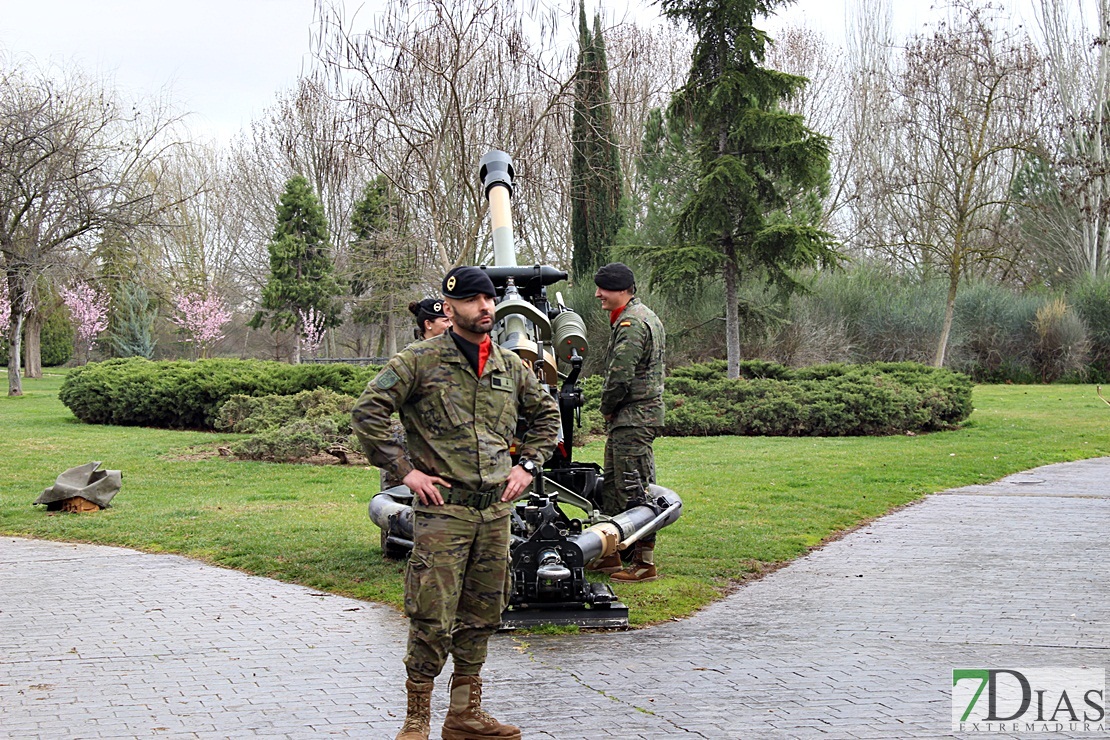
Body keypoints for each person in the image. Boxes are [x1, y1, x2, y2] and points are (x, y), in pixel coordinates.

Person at [351, 265, 561, 740]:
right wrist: (406, 472)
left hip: (494, 512)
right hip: (444, 511)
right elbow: (368, 411)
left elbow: (547, 415)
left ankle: (465, 714)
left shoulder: (510, 366)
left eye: (487, 299)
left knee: (484, 611)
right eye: (471, 300)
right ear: (449, 309)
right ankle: (416, 720)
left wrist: (528, 465)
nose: (484, 307)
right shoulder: (419, 361)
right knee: (432, 612)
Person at [590, 262, 666, 583]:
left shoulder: (632, 323)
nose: (598, 295)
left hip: (633, 417)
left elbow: (620, 376)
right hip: (633, 417)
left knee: (635, 488)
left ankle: (644, 563)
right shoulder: (642, 316)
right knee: (615, 486)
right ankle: (611, 557)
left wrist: (606, 407)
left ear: (621, 289)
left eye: (603, 289)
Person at [378, 299, 453, 491]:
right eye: (445, 321)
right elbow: (372, 409)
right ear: (428, 324)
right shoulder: (410, 361)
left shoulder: (456, 357)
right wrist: (401, 467)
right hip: (418, 455)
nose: (450, 325)